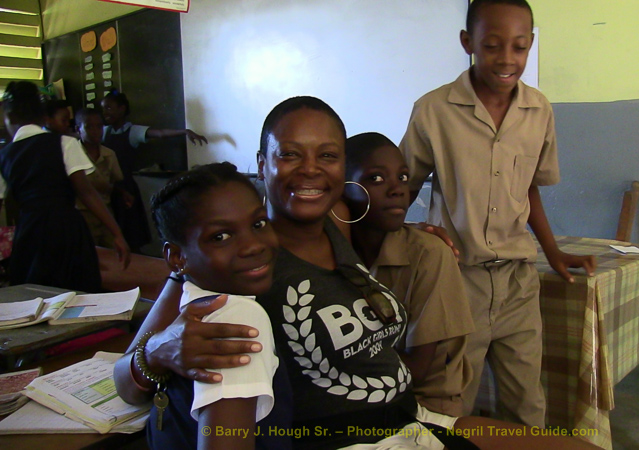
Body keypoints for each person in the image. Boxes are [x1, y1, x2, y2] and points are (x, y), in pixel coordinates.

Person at [114, 96, 598, 450]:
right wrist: (154, 353)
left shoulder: (339, 223)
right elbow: (127, 381)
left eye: (327, 156)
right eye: (289, 154)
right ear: (262, 164)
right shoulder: (242, 260)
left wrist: (409, 226)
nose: (310, 170)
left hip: (409, 418)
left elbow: (380, 198)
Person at [399, 0, 597, 427]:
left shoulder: (538, 110)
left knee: (527, 405)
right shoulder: (433, 110)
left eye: (519, 47)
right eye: (492, 46)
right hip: (457, 284)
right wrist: (405, 235)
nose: (507, 59)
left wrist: (553, 252)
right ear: (467, 42)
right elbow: (402, 188)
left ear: (530, 45)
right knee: (452, 404)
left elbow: (528, 188)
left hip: (517, 284)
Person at [145, 162, 290, 449]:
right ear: (177, 258)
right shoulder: (237, 317)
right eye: (220, 237)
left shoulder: (193, 303)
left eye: (258, 224)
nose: (253, 245)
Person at [342, 131, 474, 417]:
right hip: (355, 399)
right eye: (376, 178)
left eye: (403, 178)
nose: (397, 190)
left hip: (424, 403)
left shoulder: (430, 254)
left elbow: (417, 369)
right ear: (341, 188)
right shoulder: (330, 252)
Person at [0, 81, 130, 292]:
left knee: (35, 292)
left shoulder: (3, 156)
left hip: (30, 232)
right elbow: (87, 193)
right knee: (78, 289)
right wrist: (117, 233)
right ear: (42, 116)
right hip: (66, 228)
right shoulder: (64, 143)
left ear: (9, 117)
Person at [100, 90, 208, 252]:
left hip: (126, 187)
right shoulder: (104, 131)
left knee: (130, 231)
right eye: (103, 108)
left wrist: (185, 131)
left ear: (122, 109)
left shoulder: (132, 131)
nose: (105, 112)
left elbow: (160, 133)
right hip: (108, 188)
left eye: (109, 108)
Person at [74, 108, 128, 247]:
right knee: (88, 251)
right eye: (89, 127)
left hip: (106, 212)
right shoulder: (72, 155)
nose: (95, 131)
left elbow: (117, 181)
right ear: (78, 129)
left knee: (112, 250)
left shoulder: (109, 154)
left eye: (99, 126)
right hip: (82, 213)